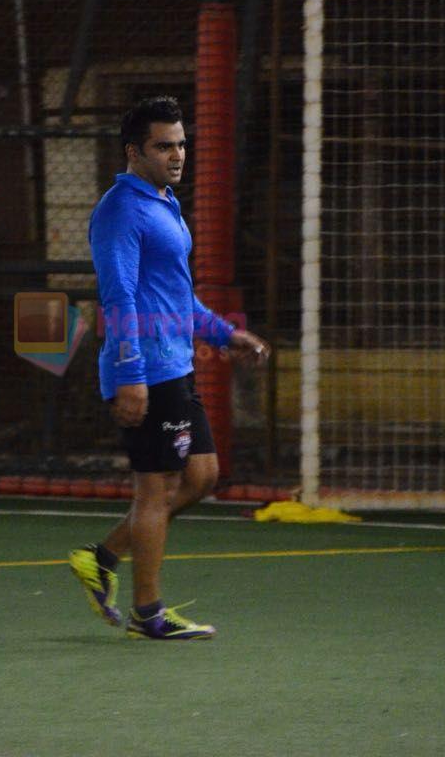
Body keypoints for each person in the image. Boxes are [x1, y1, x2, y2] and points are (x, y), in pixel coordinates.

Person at [68, 96, 270, 639]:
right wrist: (130, 374)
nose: (178, 154)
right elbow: (119, 296)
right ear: (135, 151)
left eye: (182, 143)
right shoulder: (121, 210)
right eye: (165, 145)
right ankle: (148, 614)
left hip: (175, 365)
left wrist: (227, 335)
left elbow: (177, 299)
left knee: (202, 476)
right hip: (147, 371)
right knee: (154, 490)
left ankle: (103, 558)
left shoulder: (164, 203)